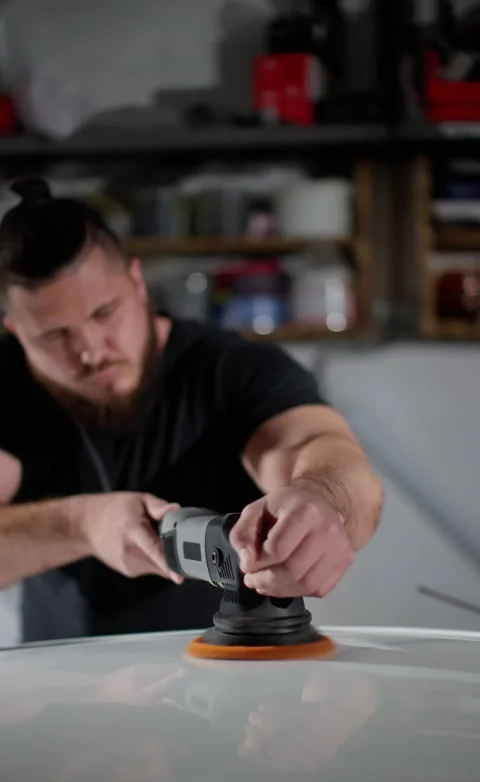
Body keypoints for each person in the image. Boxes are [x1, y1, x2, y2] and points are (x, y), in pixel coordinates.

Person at [0, 177, 384, 643]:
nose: (90, 351)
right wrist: (82, 525)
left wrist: (323, 499)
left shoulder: (229, 369)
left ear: (137, 282)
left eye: (105, 313)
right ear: (15, 329)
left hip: (228, 670)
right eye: (54, 336)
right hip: (60, 673)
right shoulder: (8, 386)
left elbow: (318, 447)